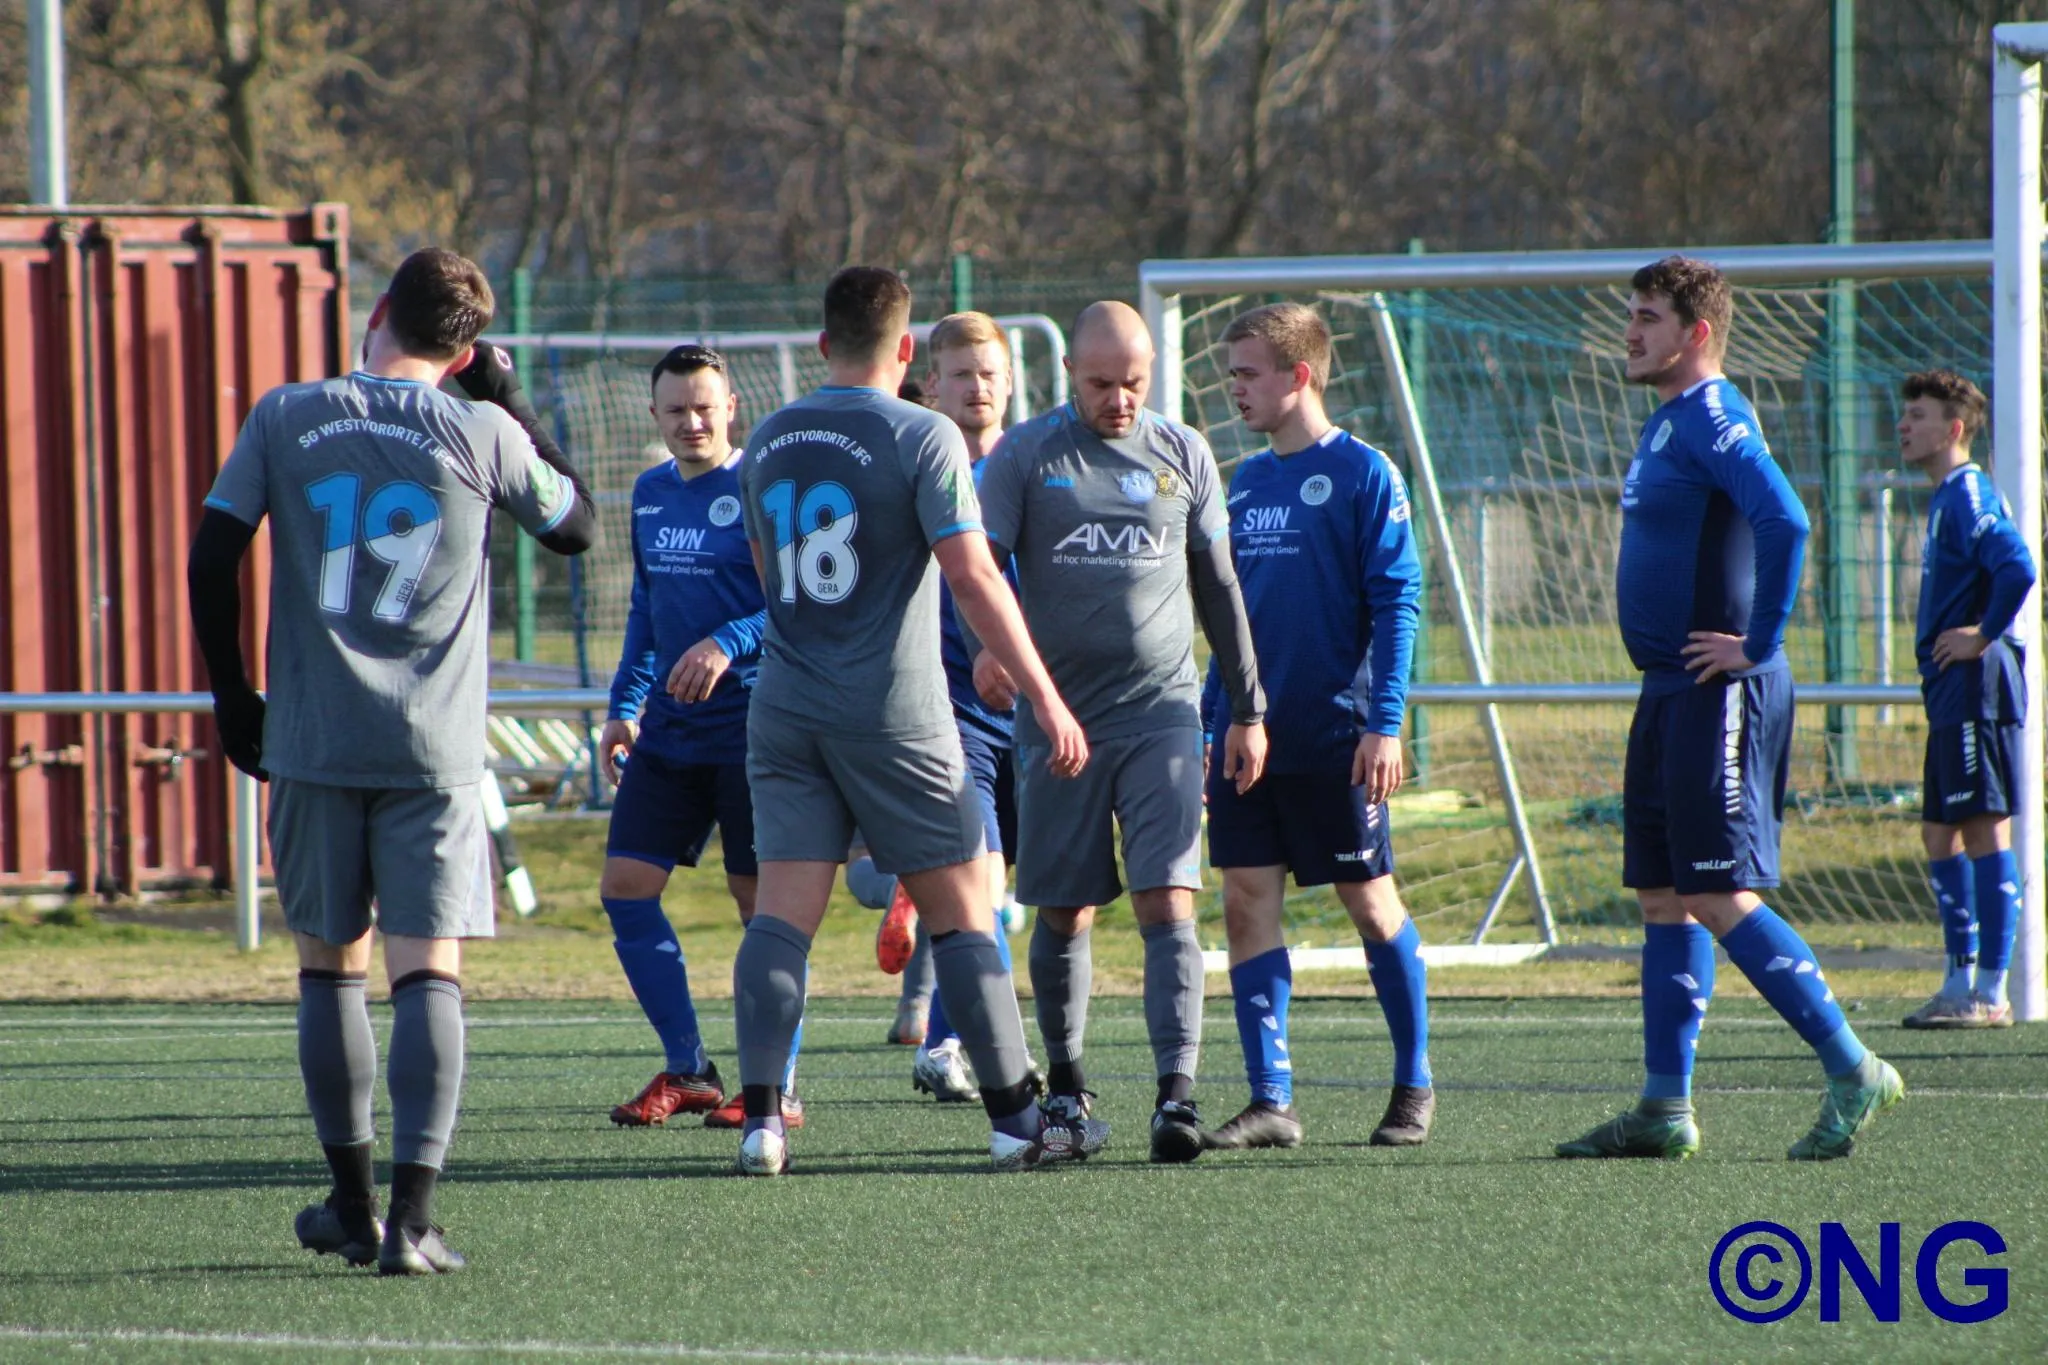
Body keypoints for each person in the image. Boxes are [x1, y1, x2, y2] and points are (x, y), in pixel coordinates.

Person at [186, 248, 598, 1273]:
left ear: (377, 312)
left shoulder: (288, 413)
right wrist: (508, 399)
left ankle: (352, 1202)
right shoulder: (482, 427)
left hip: (315, 737)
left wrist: (233, 695)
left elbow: (211, 553)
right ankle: (413, 1221)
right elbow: (577, 527)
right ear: (464, 352)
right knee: (428, 976)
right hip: (434, 749)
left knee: (330, 969)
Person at [728, 266, 1103, 1175]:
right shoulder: (922, 431)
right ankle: (1017, 1120)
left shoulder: (769, 436)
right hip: (893, 710)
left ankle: (763, 1122)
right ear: (905, 351)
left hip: (784, 706)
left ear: (824, 344)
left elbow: (764, 566)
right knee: (966, 910)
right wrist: (1046, 694)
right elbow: (972, 574)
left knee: (780, 919)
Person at [1555, 255, 1902, 1163]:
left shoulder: (1712, 413)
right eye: (1631, 315)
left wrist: (1756, 642)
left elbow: (1787, 519)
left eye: (1648, 318)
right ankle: (1664, 1108)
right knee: (1664, 895)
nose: (1630, 332)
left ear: (1696, 332)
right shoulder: (1669, 420)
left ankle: (1854, 1066)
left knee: (1713, 888)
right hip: (1669, 690)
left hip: (1721, 692)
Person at [970, 300, 1267, 1164]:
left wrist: (1248, 710)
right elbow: (974, 568)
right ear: (1070, 374)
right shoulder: (1027, 454)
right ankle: (1067, 1085)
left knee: (1167, 896)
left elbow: (1220, 588)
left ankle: (1177, 1095)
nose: (1119, 399)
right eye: (1101, 384)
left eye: (1133, 383)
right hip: (1057, 718)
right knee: (1064, 908)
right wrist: (989, 649)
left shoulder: (1185, 452)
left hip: (1162, 712)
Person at [1196, 303, 1434, 1152]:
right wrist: (1215, 720)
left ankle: (1413, 1082)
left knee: (1369, 903)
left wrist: (1385, 722)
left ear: (1299, 376)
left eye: (1248, 373)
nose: (1235, 389)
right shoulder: (1246, 481)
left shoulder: (1365, 472)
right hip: (1250, 738)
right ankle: (1272, 1099)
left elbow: (1398, 601)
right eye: (1231, 374)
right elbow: (1231, 621)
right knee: (1244, 902)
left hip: (1338, 736)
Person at [598, 343, 805, 1130]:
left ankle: (776, 1087)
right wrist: (626, 703)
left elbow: (794, 601)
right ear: (655, 414)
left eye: (705, 408)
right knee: (625, 886)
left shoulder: (763, 489)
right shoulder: (650, 492)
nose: (692, 422)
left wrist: (727, 642)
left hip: (754, 732)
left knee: (763, 912)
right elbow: (646, 608)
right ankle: (689, 1067)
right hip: (669, 734)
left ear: (731, 411)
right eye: (677, 409)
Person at [1894, 368, 2036, 1029]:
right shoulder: (1946, 497)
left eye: (1918, 415)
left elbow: (2018, 566)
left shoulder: (1969, 491)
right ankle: (1959, 979)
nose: (1903, 425)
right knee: (1939, 830)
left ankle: (1990, 990)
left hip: (1978, 686)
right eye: (1905, 414)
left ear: (1953, 428)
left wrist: (1981, 634)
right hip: (1951, 690)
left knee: (1981, 828)